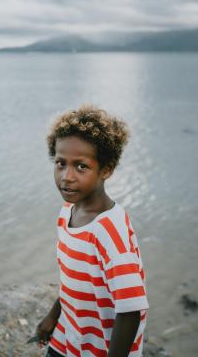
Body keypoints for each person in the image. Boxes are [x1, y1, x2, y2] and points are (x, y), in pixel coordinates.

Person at [35, 105, 149, 357]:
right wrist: (52, 317)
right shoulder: (67, 213)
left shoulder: (110, 230)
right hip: (69, 336)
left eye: (81, 166)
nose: (67, 176)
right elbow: (74, 280)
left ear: (106, 169)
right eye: (60, 163)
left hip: (103, 347)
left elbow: (130, 309)